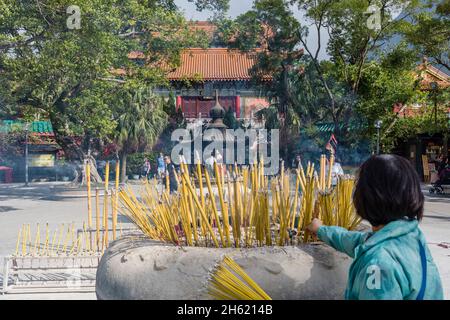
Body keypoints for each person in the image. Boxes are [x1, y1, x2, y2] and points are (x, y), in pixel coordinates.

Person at [307, 155, 443, 300]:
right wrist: (321, 230)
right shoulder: (411, 237)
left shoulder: (378, 264)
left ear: (367, 197)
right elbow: (355, 241)